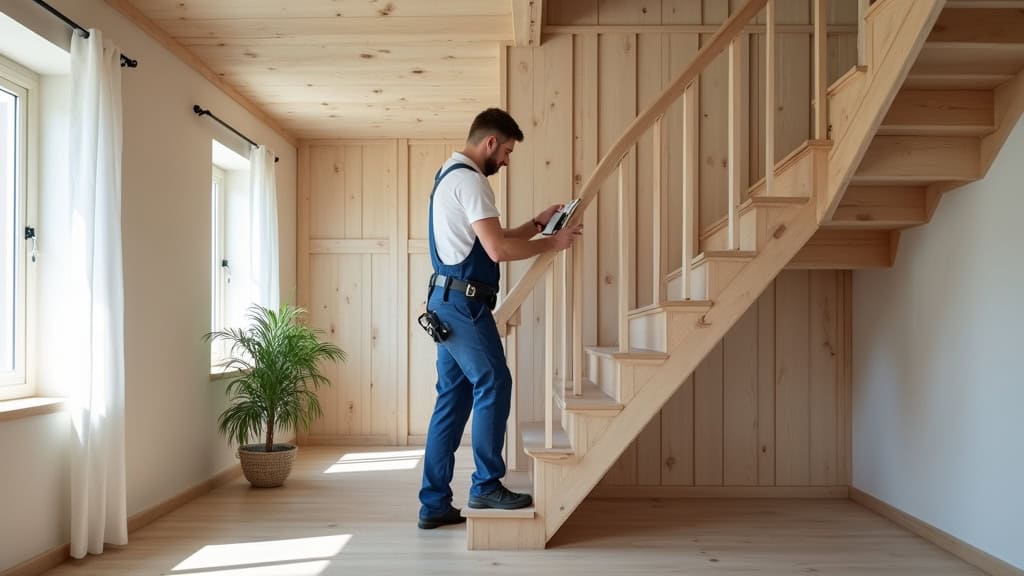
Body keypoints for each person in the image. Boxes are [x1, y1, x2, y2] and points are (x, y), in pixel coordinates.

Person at [417, 108, 582, 529]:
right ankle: (486, 485)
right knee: (494, 381)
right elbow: (498, 252)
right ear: (490, 143)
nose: (507, 161)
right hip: (463, 305)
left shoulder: (448, 175)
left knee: (451, 402)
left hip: (445, 300)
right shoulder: (471, 181)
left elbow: (497, 237)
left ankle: (434, 504)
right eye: (507, 151)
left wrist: (538, 225)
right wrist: (554, 244)